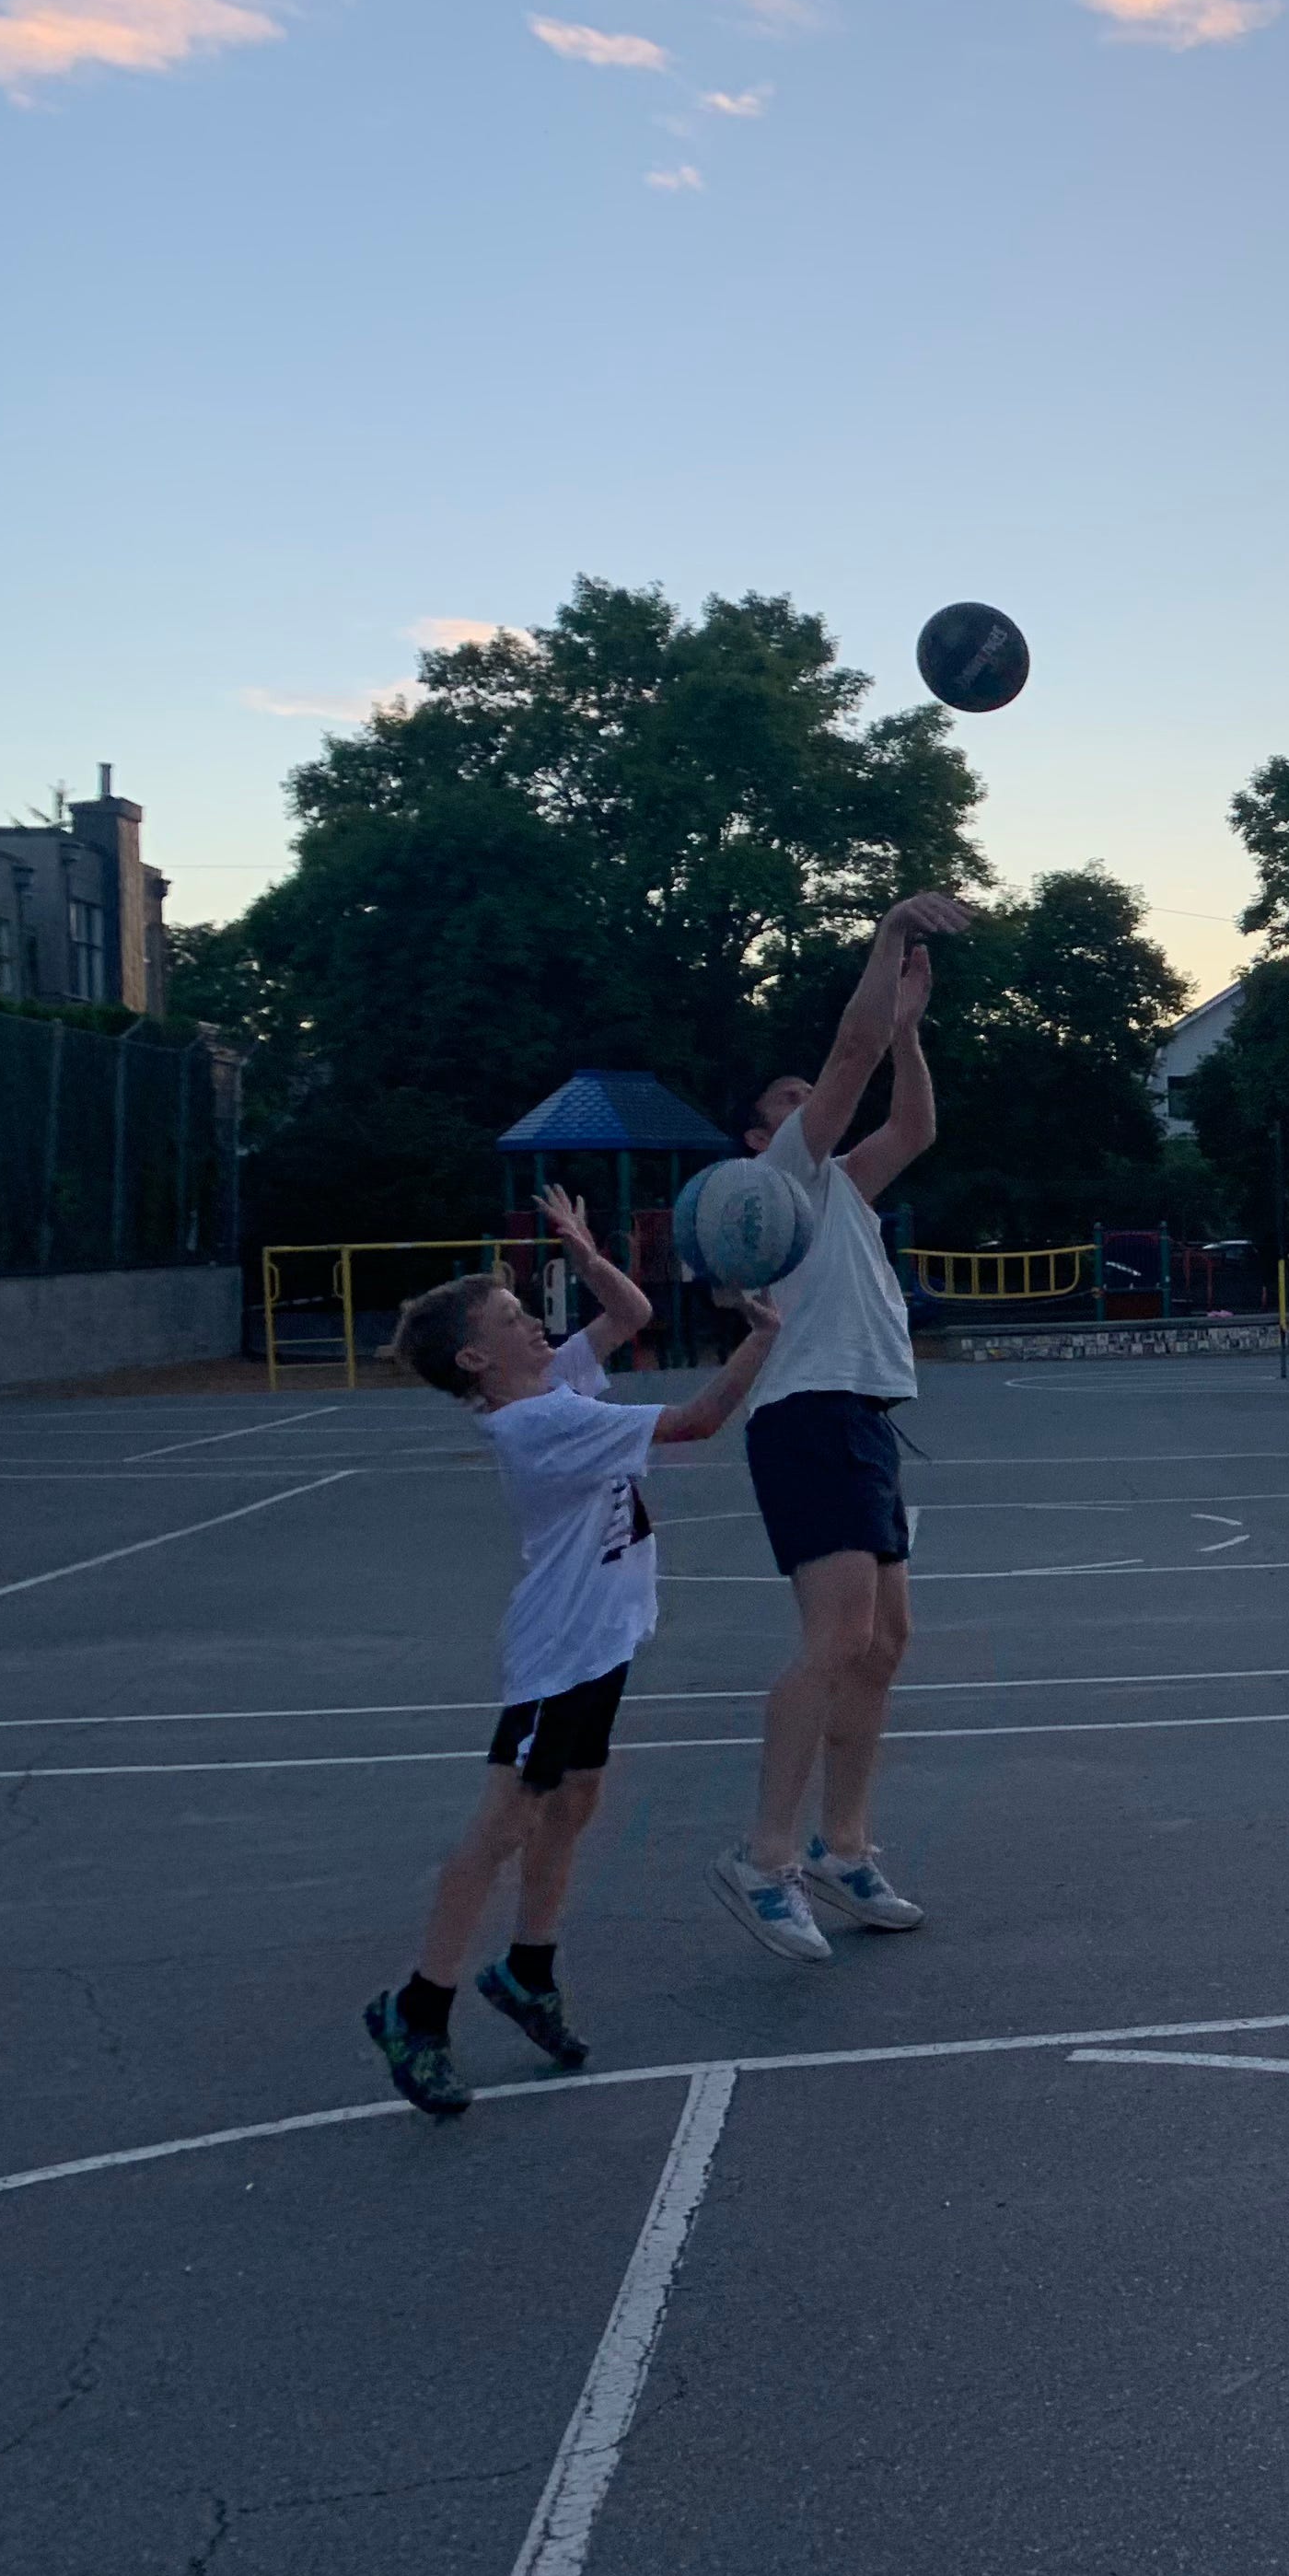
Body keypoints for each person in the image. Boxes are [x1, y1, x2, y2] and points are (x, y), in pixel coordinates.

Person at [364, 1189, 780, 2117]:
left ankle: (529, 1970)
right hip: (557, 1653)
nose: (534, 1322)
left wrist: (588, 1254)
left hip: (601, 1642)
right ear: (477, 1359)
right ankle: (417, 2009)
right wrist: (764, 1337)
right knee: (505, 1823)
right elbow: (700, 1420)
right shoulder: (537, 1423)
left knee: (576, 1800)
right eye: (513, 1317)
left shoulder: (554, 1383)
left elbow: (630, 1314)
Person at [713, 888, 970, 1961]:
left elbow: (914, 1125)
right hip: (807, 1413)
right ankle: (763, 1857)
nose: (813, 1099)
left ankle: (842, 1847)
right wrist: (889, 934)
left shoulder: (844, 1189)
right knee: (836, 1639)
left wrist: (910, 1032)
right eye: (793, 1096)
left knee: (884, 1643)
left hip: (858, 1415)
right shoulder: (778, 1177)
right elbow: (850, 1054)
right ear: (762, 1131)